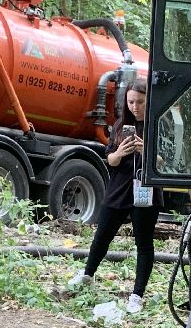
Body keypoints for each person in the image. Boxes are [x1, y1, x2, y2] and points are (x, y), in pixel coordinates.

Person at [68, 76, 162, 314]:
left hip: (146, 190)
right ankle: (88, 274)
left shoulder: (158, 125)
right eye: (131, 102)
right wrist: (120, 152)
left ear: (148, 101)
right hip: (119, 188)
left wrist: (146, 151)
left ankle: (137, 295)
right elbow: (109, 159)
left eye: (140, 102)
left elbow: (166, 163)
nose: (135, 107)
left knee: (144, 243)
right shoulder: (120, 125)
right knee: (102, 235)